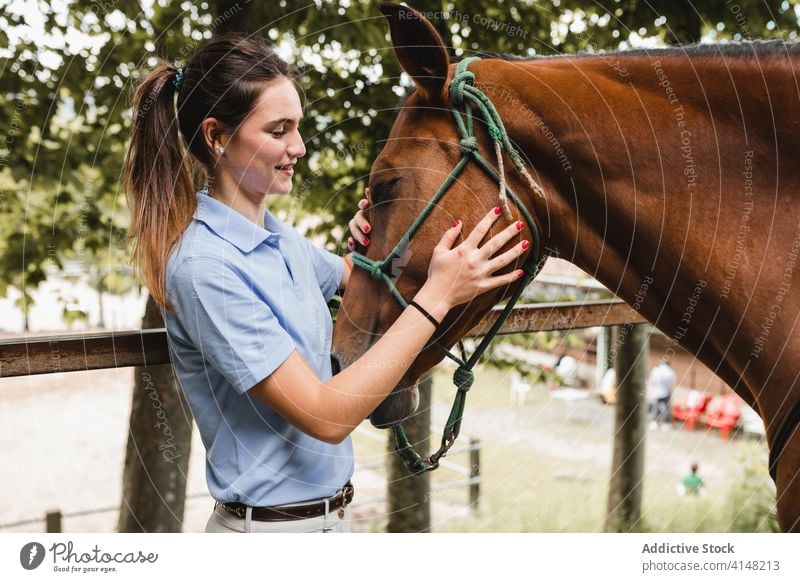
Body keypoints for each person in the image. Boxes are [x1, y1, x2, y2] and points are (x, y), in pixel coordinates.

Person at [122, 34, 528, 533]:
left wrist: (376, 240)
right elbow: (325, 416)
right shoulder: (205, 267)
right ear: (217, 137)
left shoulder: (279, 240)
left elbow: (362, 278)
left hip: (336, 520)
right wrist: (439, 295)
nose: (300, 146)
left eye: (298, 126)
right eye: (279, 130)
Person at [648, 359, 676, 431]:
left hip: (656, 392)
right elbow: (671, 385)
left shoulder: (656, 370)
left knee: (655, 408)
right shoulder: (671, 371)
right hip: (666, 392)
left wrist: (650, 392)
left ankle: (654, 423)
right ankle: (665, 424)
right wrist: (671, 395)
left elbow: (651, 381)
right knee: (666, 409)